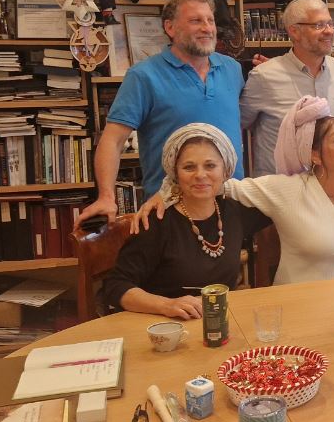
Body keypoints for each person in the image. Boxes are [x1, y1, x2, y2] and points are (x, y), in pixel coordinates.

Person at [138, 96, 334, 284]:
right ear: (314, 154)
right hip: (297, 306)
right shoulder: (285, 189)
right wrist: (165, 192)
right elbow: (215, 183)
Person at [77, 0, 244, 224]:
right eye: (196, 21)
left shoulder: (232, 69)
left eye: (210, 20)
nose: (207, 28)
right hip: (171, 209)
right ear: (170, 28)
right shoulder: (143, 76)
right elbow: (113, 141)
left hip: (230, 203)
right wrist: (106, 196)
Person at [102, 124, 269, 318]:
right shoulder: (156, 221)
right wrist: (166, 305)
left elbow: (284, 198)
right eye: (189, 167)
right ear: (175, 174)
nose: (200, 175)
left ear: (225, 171)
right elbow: (116, 286)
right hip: (164, 326)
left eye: (210, 165)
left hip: (217, 325)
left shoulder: (235, 212)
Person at [240, 0, 334, 175]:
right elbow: (241, 123)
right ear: (294, 31)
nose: (329, 31)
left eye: (330, 23)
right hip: (279, 187)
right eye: (319, 25)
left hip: (328, 185)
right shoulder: (264, 76)